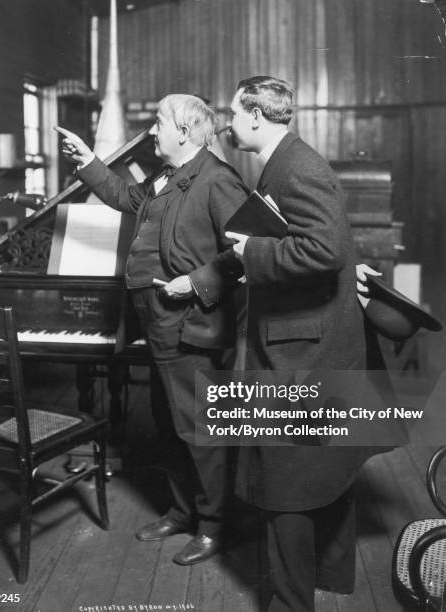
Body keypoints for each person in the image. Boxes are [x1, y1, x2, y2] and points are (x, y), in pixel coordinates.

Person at [57, 94, 248, 565]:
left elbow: (249, 250)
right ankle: (182, 511)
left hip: (191, 325)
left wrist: (196, 282)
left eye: (158, 123)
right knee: (168, 424)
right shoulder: (164, 177)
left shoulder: (218, 180)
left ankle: (213, 525)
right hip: (156, 324)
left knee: (199, 430)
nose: (151, 132)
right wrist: (90, 162)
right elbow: (125, 197)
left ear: (184, 131)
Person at [226, 76, 381, 611]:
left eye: (233, 114)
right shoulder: (289, 161)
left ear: (254, 116)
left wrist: (253, 255)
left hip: (305, 349)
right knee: (327, 468)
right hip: (315, 338)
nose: (228, 124)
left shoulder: (298, 166)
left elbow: (324, 249)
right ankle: (333, 576)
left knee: (285, 484)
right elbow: (329, 241)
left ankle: (290, 604)